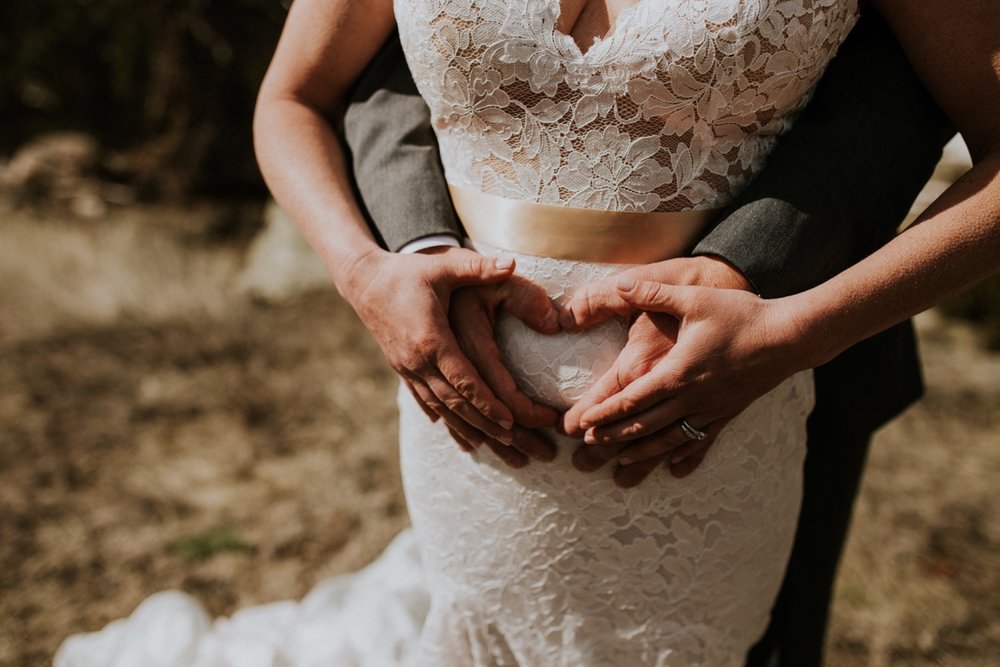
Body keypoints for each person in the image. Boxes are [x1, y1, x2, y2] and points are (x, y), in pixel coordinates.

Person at [56, 1, 999, 666]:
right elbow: (292, 97)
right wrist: (366, 271)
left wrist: (796, 332)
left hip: (707, 443)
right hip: (467, 444)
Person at [340, 8, 951, 665]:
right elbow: (347, 82)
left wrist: (795, 332)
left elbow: (906, 97)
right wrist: (371, 271)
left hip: (750, 392)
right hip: (474, 456)